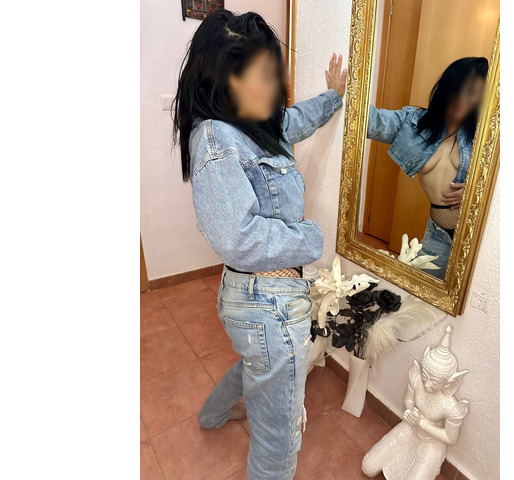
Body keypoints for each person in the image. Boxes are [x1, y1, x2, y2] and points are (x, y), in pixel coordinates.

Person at [172, 10, 346, 480]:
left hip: (259, 298)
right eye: (261, 75)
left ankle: (213, 414)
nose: (274, 86)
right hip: (266, 302)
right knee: (277, 443)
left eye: (274, 72)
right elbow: (239, 238)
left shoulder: (258, 123)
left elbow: (297, 120)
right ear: (223, 78)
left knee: (257, 363)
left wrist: (334, 96)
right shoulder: (216, 137)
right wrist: (310, 238)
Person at [367, 57, 488, 279]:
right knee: (421, 289)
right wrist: (341, 96)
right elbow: (369, 121)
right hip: (439, 235)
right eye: (457, 88)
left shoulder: (486, 136)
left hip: (481, 240)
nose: (461, 98)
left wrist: (481, 191)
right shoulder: (415, 123)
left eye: (471, 92)